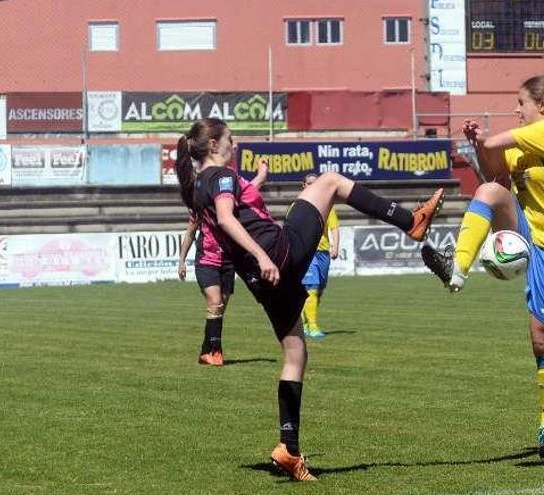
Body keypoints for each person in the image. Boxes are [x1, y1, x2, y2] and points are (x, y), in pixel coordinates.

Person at [175, 117, 443, 481]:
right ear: (213, 146)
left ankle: (289, 448)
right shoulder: (221, 177)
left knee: (295, 352)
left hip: (261, 280)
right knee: (329, 181)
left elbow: (227, 214)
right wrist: (265, 255)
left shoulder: (200, 186)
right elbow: (226, 218)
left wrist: (257, 191)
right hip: (276, 254)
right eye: (230, 139)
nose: (234, 145)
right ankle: (411, 221)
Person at [420, 75, 544, 464]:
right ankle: (456, 269)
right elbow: (492, 170)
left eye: (521, 102)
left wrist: (483, 137)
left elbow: (496, 143)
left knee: (541, 339)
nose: (517, 109)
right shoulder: (529, 138)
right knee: (489, 193)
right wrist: (479, 144)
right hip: (529, 228)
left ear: (542, 106)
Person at [177, 156, 268, 366]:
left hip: (227, 260)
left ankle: (206, 349)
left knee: (219, 308)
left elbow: (250, 189)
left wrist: (261, 175)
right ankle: (215, 352)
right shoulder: (199, 207)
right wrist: (181, 261)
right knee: (215, 302)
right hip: (206, 258)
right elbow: (190, 233)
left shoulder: (227, 201)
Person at [299, 173, 340, 339]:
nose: (312, 186)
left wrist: (335, 246)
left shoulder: (327, 206)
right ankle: (312, 326)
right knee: (312, 288)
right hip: (308, 252)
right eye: (309, 183)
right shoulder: (298, 206)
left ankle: (307, 323)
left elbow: (334, 228)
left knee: (319, 290)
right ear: (303, 186)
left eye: (315, 184)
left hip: (323, 252)